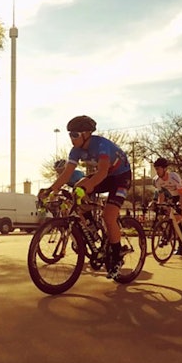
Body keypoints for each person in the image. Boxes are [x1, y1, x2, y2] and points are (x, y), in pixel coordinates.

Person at [45, 115, 132, 280]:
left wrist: (87, 187)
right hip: (105, 176)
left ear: (86, 134)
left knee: (108, 215)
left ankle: (117, 257)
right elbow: (66, 174)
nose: (71, 138)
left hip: (120, 177)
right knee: (78, 186)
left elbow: (102, 172)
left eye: (75, 135)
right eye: (70, 134)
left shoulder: (101, 145)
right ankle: (91, 227)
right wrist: (50, 190)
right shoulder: (76, 151)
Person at [152, 157, 182, 254]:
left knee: (180, 212)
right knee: (173, 221)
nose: (157, 171)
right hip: (174, 196)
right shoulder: (157, 181)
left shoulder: (174, 177)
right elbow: (161, 195)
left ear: (165, 169)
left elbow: (181, 194)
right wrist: (159, 205)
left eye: (158, 169)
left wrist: (181, 204)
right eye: (156, 169)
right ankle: (181, 241)